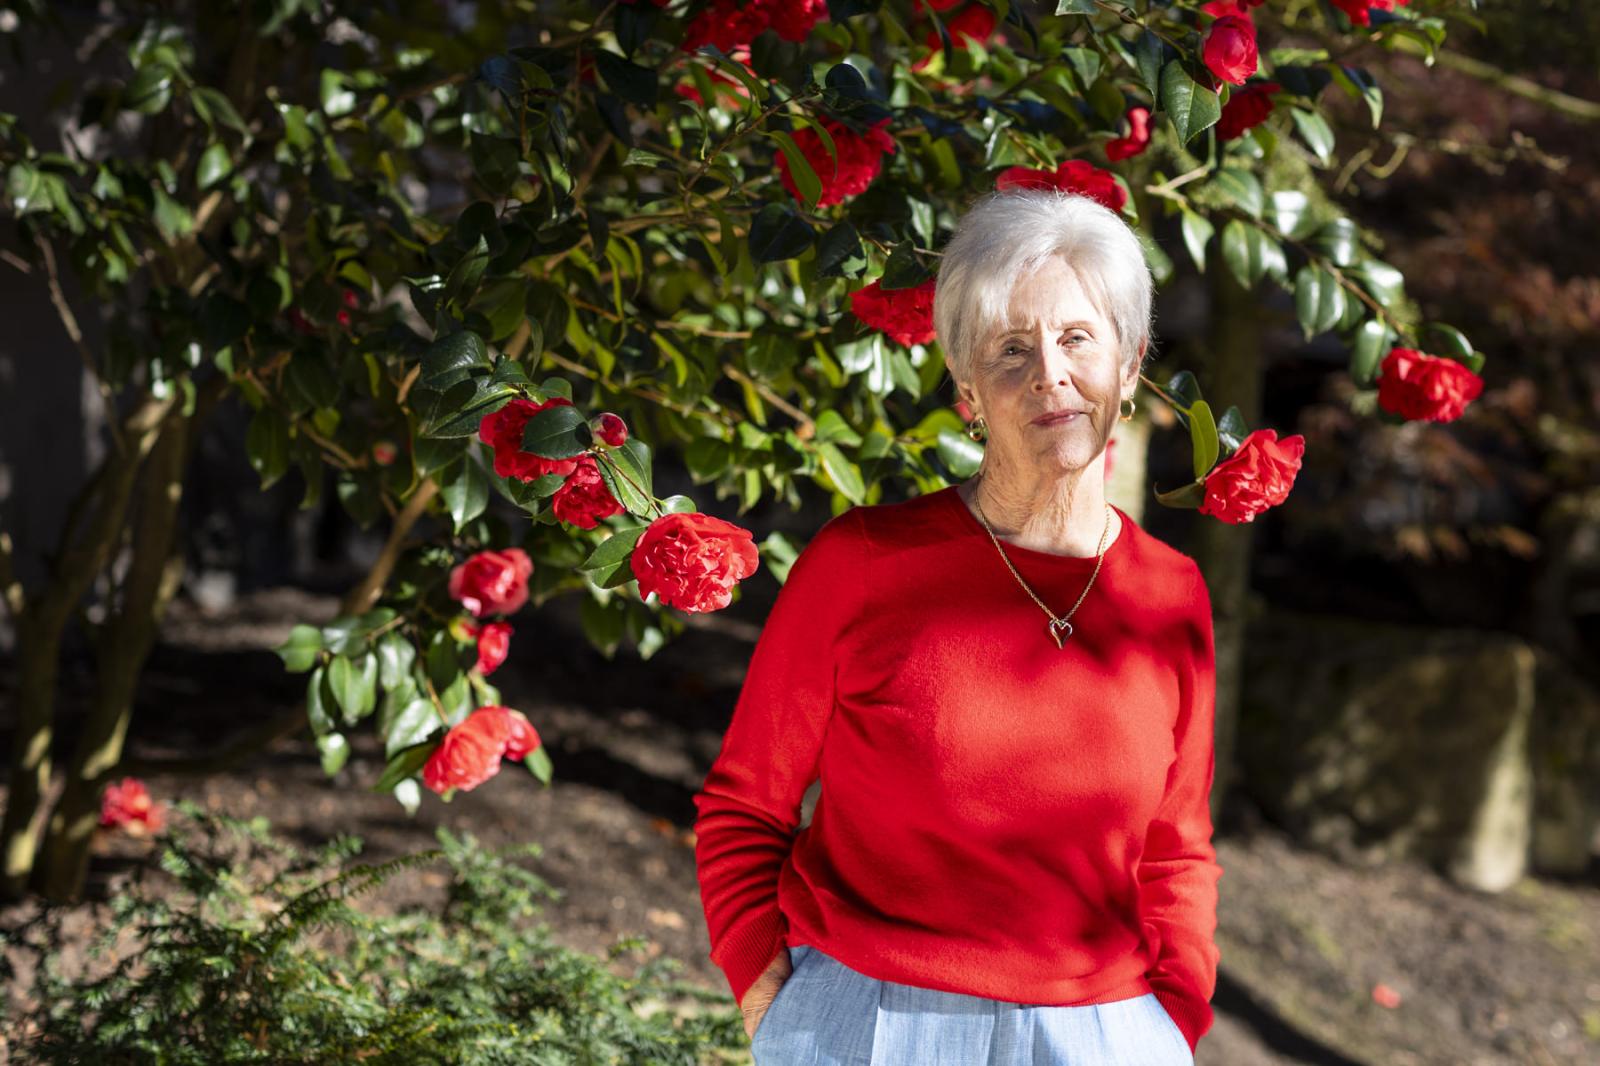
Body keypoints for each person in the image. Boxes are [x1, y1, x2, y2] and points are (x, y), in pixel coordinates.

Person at [691, 188, 1222, 1065]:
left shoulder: (1172, 595)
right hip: (869, 1022)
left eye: (1078, 338)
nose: (1050, 371)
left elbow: (1177, 850)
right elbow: (745, 805)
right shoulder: (862, 564)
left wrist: (1174, 1021)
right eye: (1013, 349)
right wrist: (767, 998)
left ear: (1129, 368)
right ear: (969, 390)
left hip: (1107, 1029)